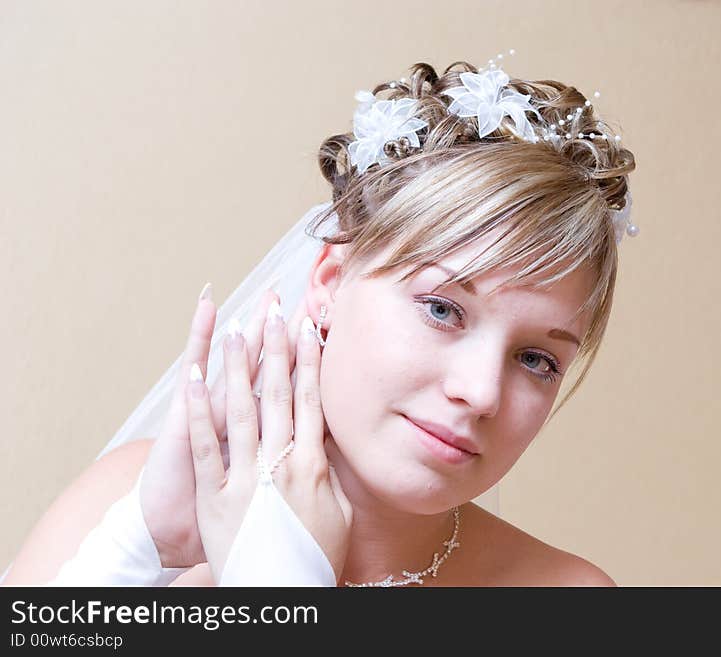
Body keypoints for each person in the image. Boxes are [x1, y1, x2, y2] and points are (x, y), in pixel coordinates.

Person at [2, 54, 637, 587]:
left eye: (537, 359)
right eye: (443, 309)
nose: (481, 392)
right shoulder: (130, 499)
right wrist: (138, 549)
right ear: (329, 281)